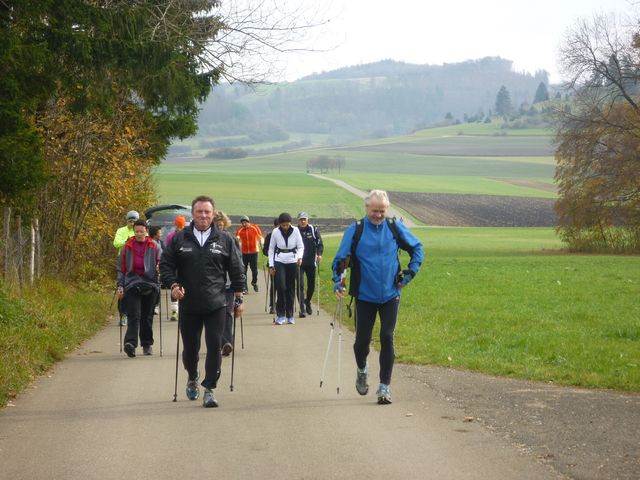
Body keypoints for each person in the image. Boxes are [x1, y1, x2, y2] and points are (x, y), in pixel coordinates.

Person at [332, 190, 423, 405]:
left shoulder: (394, 227)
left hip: (391, 293)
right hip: (364, 295)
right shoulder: (356, 230)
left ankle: (384, 387)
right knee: (361, 342)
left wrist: (410, 272)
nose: (379, 215)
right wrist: (338, 281)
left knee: (387, 336)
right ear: (366, 208)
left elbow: (417, 247)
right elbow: (339, 260)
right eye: (375, 211)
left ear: (387, 209)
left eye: (382, 211)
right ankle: (362, 369)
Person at [160, 195, 245, 408]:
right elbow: (166, 265)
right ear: (193, 214)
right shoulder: (180, 239)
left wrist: (239, 298)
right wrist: (173, 285)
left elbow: (237, 269)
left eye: (207, 212)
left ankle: (209, 389)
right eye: (199, 212)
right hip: (189, 303)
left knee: (215, 346)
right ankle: (192, 375)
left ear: (213, 214)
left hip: (216, 303)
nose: (203, 216)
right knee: (190, 350)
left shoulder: (225, 239)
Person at [117, 219, 160, 357]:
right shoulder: (127, 246)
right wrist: (120, 285)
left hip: (150, 284)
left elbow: (163, 262)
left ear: (146, 231)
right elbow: (121, 269)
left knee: (147, 317)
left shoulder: (154, 246)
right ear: (133, 232)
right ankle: (130, 344)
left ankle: (147, 345)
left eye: (142, 231)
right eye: (136, 232)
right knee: (134, 315)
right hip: (132, 283)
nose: (139, 234)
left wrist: (160, 267)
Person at [268, 212, 304, 325]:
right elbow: (271, 249)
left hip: (293, 260)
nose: (285, 227)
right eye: (283, 225)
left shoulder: (296, 231)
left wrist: (300, 257)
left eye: (287, 224)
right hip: (280, 260)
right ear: (280, 224)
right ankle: (281, 315)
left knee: (290, 288)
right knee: (281, 287)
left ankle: (290, 315)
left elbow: (300, 246)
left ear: (290, 223)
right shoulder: (275, 232)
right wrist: (271, 265)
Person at [113, 210, 140, 326]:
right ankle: (123, 315)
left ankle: (135, 314)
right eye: (130, 221)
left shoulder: (140, 230)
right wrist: (126, 241)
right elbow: (116, 243)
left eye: (134, 221)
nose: (132, 223)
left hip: (137, 262)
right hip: (123, 261)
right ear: (127, 221)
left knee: (135, 288)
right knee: (122, 287)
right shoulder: (121, 230)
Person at [214, 210, 235, 357]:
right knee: (215, 315)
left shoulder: (230, 239)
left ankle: (226, 342)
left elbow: (237, 262)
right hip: (212, 284)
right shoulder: (207, 240)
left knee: (227, 313)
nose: (219, 227)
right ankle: (216, 342)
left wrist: (239, 287)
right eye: (217, 225)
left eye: (221, 225)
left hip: (228, 284)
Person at [296, 212, 324, 318]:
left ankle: (307, 301)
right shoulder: (295, 231)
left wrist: (319, 254)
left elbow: (320, 244)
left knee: (311, 286)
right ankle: (302, 309)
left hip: (311, 262)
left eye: (304, 219)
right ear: (298, 221)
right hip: (299, 262)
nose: (303, 221)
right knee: (300, 284)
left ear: (307, 220)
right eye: (301, 219)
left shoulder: (313, 229)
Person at [165, 214, 186, 321]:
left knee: (185, 287)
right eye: (178, 226)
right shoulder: (170, 236)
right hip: (174, 265)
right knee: (175, 287)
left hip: (185, 265)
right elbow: (167, 252)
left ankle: (184, 311)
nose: (179, 228)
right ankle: (174, 311)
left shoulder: (187, 235)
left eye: (181, 226)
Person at [235, 215, 263, 293]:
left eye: (245, 222)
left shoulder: (254, 227)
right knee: (243, 270)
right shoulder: (240, 229)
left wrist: (261, 241)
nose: (244, 224)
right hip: (244, 253)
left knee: (254, 270)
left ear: (248, 222)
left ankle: (254, 282)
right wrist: (237, 240)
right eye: (242, 223)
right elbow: (236, 237)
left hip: (254, 252)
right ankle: (244, 288)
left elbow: (260, 236)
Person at [262, 218, 279, 315]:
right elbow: (265, 251)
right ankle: (273, 305)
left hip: (284, 262)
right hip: (272, 263)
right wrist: (270, 252)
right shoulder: (269, 236)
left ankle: (281, 303)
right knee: (274, 285)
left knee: (282, 285)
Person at [148, 225, 164, 316]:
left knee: (157, 288)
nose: (161, 234)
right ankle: (154, 306)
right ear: (155, 234)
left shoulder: (160, 242)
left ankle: (154, 306)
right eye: (160, 233)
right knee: (156, 288)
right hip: (152, 271)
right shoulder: (151, 243)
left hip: (156, 270)